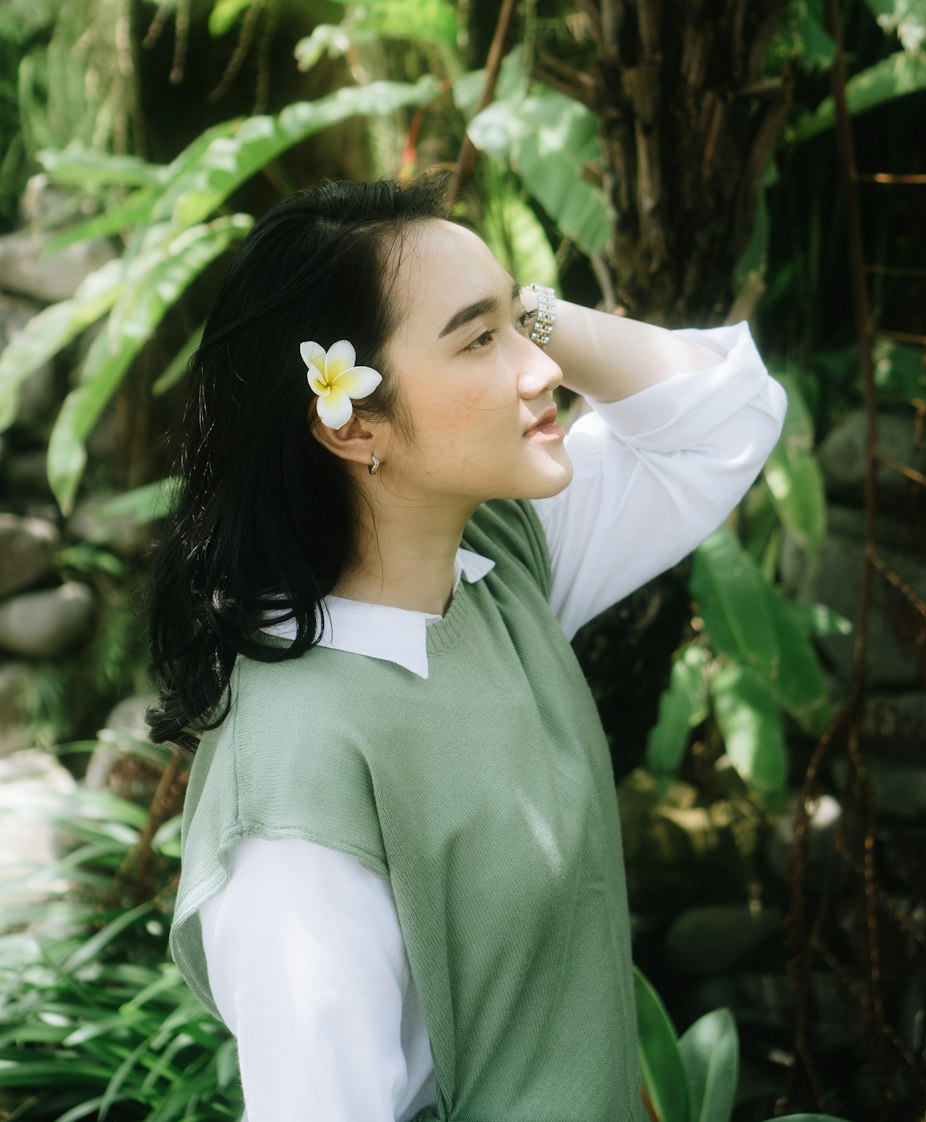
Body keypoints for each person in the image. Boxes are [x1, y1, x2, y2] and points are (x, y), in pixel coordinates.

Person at [147, 174, 787, 1122]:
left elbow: (727, 412)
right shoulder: (295, 790)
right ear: (354, 420)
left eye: (519, 323)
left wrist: (521, 306)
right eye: (479, 341)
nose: (540, 369)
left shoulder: (495, 567)